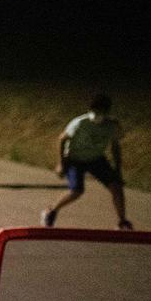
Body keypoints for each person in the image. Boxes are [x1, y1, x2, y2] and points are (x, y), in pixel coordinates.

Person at [42, 93, 132, 230]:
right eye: (94, 111)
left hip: (96, 159)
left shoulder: (112, 126)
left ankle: (122, 221)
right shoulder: (80, 123)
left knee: (116, 187)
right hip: (75, 159)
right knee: (77, 191)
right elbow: (62, 139)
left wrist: (117, 169)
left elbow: (115, 147)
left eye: (100, 112)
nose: (96, 115)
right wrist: (61, 163)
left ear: (107, 112)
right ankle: (51, 211)